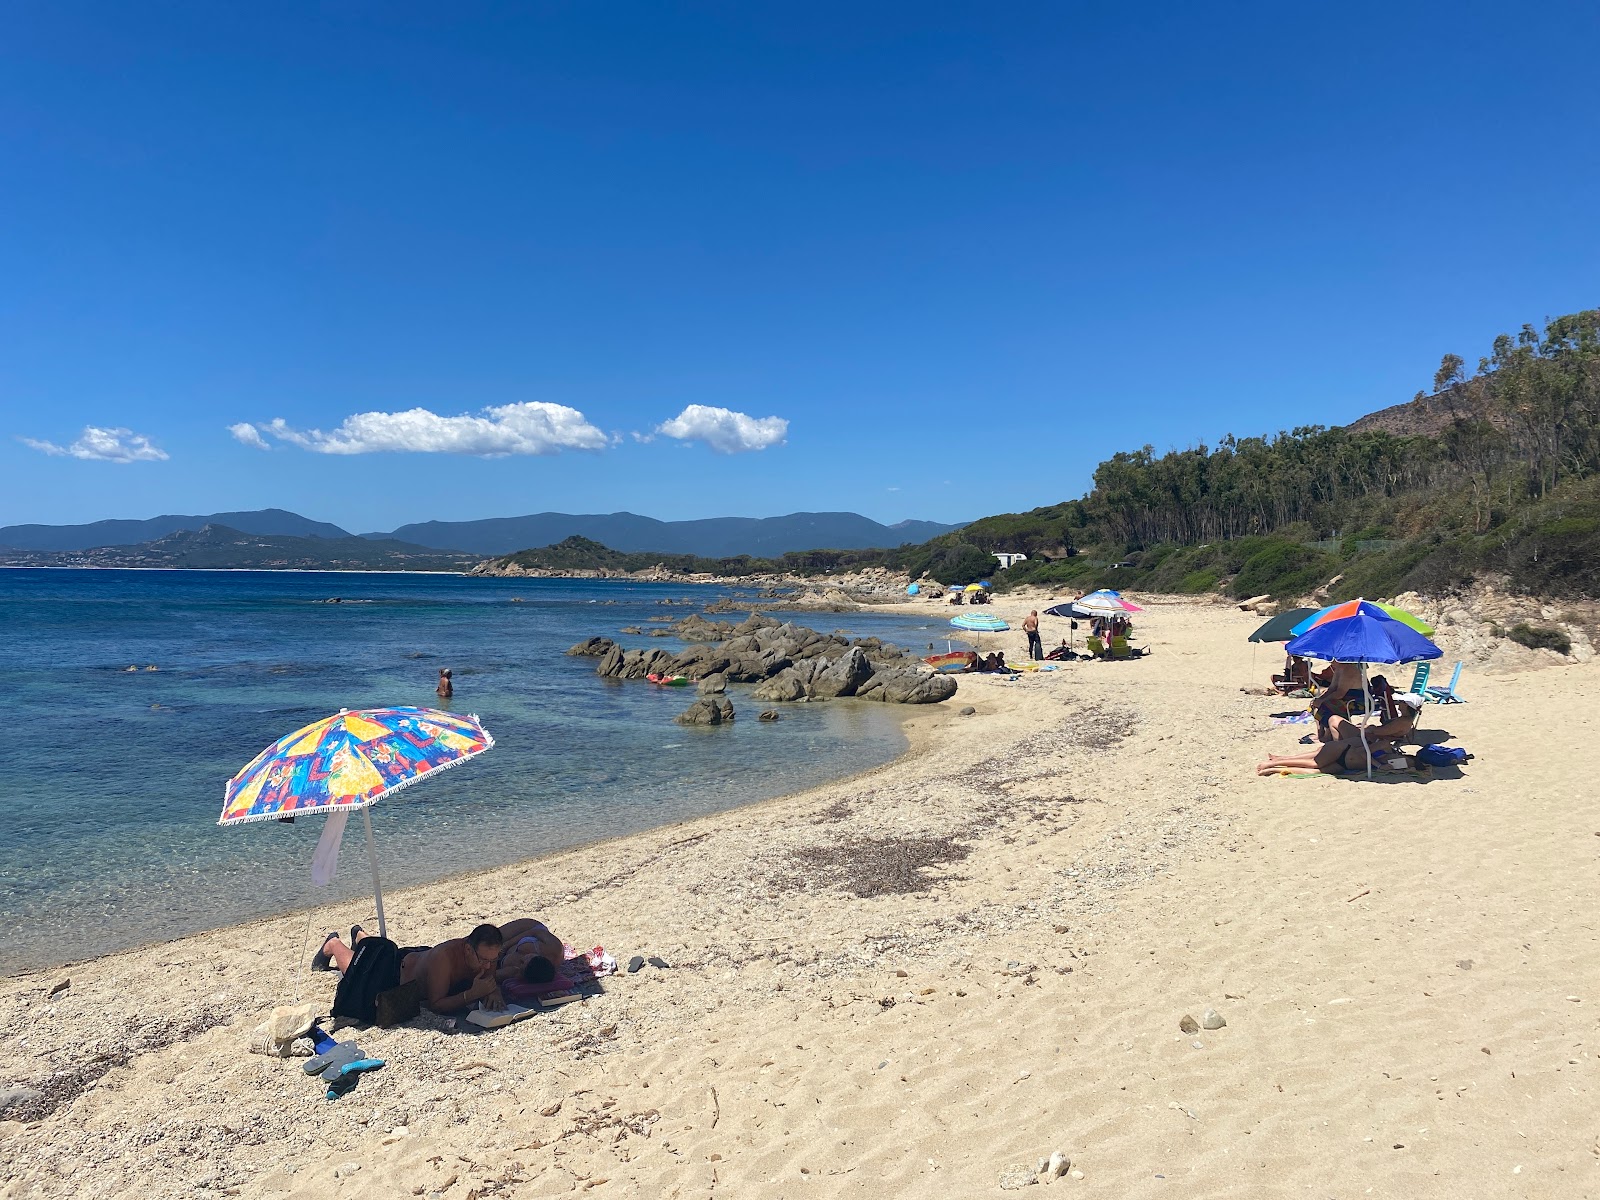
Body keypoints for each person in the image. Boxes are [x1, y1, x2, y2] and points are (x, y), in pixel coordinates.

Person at [1257, 736, 1383, 776]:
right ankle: (1272, 762)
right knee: (1314, 762)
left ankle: (1275, 769)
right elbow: (1363, 752)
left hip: (1344, 765)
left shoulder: (1400, 761)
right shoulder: (1385, 745)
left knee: (1315, 772)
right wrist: (1379, 765)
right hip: (1342, 750)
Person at [496, 917, 564, 986]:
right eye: (528, 958)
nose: (522, 959)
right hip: (528, 929)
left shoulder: (521, 971)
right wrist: (506, 945)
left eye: (522, 963)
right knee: (492, 938)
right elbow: (535, 932)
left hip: (506, 958)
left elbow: (491, 977)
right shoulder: (554, 948)